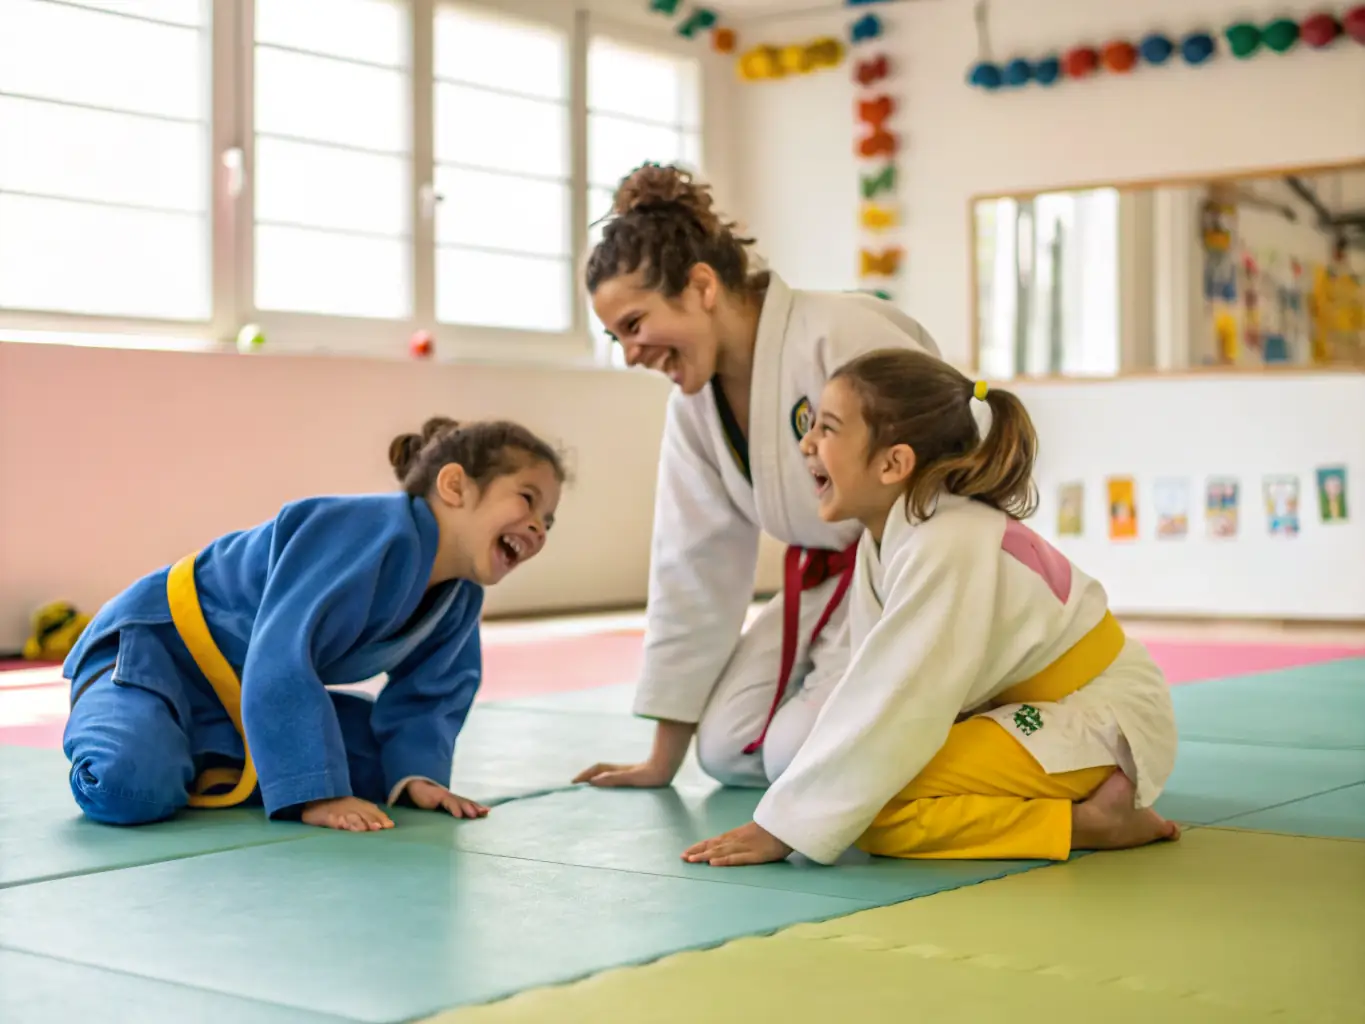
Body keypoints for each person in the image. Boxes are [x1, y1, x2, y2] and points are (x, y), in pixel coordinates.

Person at [682, 349, 1180, 866]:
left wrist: (784, 826)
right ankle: (1071, 803)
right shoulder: (902, 537)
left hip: (1096, 717)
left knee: (873, 810)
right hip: (1038, 712)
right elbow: (873, 685)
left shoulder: (945, 541)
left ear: (893, 463)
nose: (806, 441)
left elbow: (900, 699)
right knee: (857, 795)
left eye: (827, 428)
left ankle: (1089, 824)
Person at [574, 163, 942, 793]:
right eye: (617, 338)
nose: (631, 353)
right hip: (828, 586)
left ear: (701, 286)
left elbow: (948, 467)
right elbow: (693, 563)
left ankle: (969, 724)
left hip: (914, 579)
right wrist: (662, 763)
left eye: (635, 325)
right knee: (727, 749)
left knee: (795, 753)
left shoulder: (840, 331)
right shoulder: (694, 405)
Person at [61, 418, 564, 832]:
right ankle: (162, 737)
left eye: (549, 519)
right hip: (155, 654)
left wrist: (417, 777)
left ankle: (209, 752)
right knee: (126, 784)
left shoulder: (458, 598)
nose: (539, 526)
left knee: (382, 773)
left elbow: (432, 696)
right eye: (526, 499)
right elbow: (282, 656)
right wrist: (316, 795)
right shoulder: (359, 528)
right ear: (454, 485)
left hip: (238, 691)